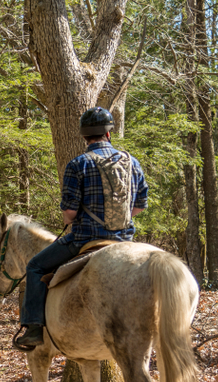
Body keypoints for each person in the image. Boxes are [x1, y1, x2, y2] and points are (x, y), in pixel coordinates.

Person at [14, 107, 148, 351]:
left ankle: (33, 328)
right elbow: (139, 207)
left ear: (84, 137)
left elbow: (70, 213)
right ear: (109, 134)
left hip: (84, 239)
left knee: (34, 266)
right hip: (125, 240)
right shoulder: (132, 163)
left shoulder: (78, 164)